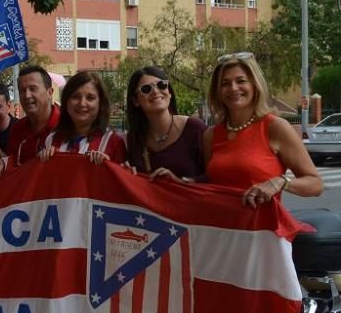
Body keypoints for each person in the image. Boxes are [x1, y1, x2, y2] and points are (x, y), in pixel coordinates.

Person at [204, 53, 322, 207]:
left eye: (241, 81)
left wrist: (281, 182)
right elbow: (209, 183)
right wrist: (180, 182)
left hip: (263, 228)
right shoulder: (211, 135)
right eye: (225, 83)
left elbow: (316, 184)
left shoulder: (275, 127)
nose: (233, 88)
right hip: (223, 228)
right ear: (217, 91)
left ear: (255, 85)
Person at [124, 66, 207, 182]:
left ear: (169, 92)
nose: (156, 91)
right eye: (146, 89)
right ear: (135, 101)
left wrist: (180, 181)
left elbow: (214, 176)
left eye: (161, 85)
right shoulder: (134, 138)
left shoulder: (195, 129)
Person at [40, 72, 126, 164]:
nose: (82, 104)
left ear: (100, 103)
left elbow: (121, 175)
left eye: (90, 98)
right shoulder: (51, 140)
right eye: (75, 97)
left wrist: (108, 166)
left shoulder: (113, 143)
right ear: (66, 101)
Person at [3, 65, 61, 170]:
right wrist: (1, 164)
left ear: (50, 92)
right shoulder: (17, 129)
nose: (27, 95)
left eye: (33, 89)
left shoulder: (67, 126)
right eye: (22, 90)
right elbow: (12, 169)